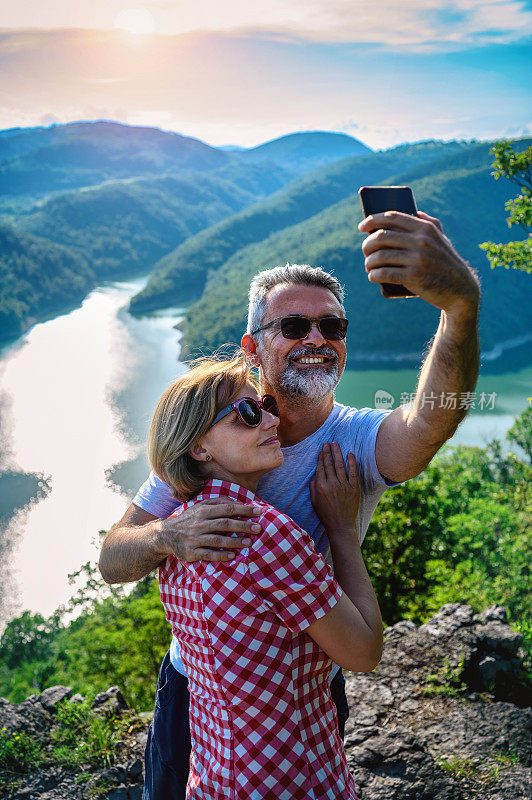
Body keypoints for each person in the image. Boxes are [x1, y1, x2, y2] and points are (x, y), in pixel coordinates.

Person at [99, 209, 481, 797]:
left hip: (305, 690)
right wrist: (166, 537)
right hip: (194, 690)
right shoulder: (216, 436)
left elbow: (431, 422)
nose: (317, 339)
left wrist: (459, 308)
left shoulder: (352, 442)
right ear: (253, 346)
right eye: (295, 326)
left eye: (333, 326)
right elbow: (113, 560)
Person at [146, 353, 379, 799]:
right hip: (294, 779)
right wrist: (343, 530)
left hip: (215, 776)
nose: (271, 422)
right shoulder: (264, 534)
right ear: (200, 447)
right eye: (248, 414)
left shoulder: (178, 532)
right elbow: (363, 652)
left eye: (266, 408)